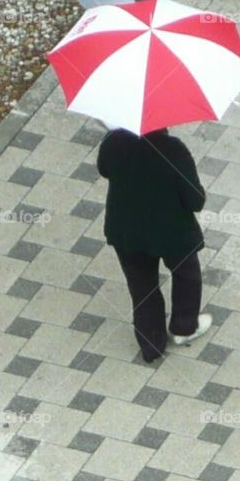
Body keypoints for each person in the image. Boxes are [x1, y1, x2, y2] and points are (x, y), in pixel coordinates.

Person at [97, 128, 211, 363]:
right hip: (172, 232)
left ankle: (151, 345)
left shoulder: (114, 141)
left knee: (142, 287)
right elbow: (195, 201)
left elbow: (104, 170)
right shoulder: (173, 150)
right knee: (186, 275)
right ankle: (183, 327)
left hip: (127, 231)